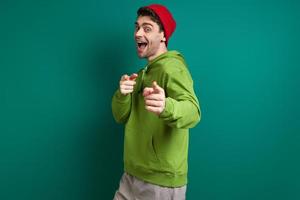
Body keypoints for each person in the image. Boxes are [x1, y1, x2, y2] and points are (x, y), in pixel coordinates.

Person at [112, 4, 201, 200]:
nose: (137, 33)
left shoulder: (173, 68)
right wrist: (122, 95)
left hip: (160, 182)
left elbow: (193, 111)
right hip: (132, 174)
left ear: (163, 36)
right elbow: (120, 116)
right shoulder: (143, 74)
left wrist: (166, 106)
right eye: (137, 27)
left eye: (147, 28)